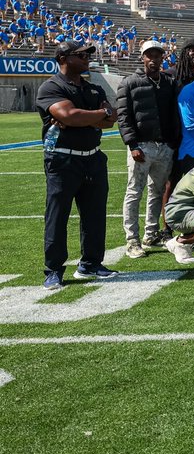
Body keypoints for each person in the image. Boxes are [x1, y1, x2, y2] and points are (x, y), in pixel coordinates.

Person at [37, 41, 118, 289]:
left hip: (93, 157)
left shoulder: (93, 88)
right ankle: (53, 269)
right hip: (63, 159)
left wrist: (86, 117)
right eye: (81, 54)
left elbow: (110, 120)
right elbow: (70, 116)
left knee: (94, 215)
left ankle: (91, 263)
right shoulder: (51, 87)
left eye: (88, 54)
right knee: (58, 215)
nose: (87, 58)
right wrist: (95, 115)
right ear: (63, 57)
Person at [117, 39, 181, 258]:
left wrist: (173, 142)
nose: (154, 59)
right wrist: (132, 144)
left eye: (157, 55)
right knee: (135, 191)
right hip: (142, 146)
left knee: (157, 191)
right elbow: (123, 116)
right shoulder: (129, 82)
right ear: (142, 57)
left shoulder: (169, 82)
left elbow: (174, 114)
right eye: (149, 55)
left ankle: (151, 232)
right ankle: (132, 239)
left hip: (164, 146)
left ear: (163, 58)